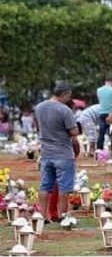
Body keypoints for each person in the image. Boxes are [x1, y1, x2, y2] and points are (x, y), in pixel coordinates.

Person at [34, 82, 79, 222]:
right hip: (63, 153)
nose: (68, 99)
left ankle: (43, 215)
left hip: (46, 152)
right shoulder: (65, 110)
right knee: (64, 186)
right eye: (68, 96)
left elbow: (38, 127)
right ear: (65, 94)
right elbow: (74, 131)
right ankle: (62, 215)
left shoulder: (39, 107)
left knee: (45, 186)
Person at [97, 77, 112, 150]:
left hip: (102, 113)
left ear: (105, 81)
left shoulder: (99, 90)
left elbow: (100, 101)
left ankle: (99, 149)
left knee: (101, 133)